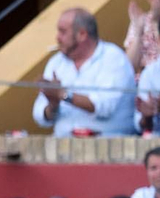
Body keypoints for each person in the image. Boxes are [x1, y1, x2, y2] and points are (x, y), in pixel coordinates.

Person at [34, 8, 137, 137]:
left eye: (63, 32)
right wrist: (53, 105)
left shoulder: (113, 57)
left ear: (82, 34)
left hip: (109, 145)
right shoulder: (56, 62)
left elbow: (104, 107)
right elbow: (40, 116)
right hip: (63, 145)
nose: (57, 38)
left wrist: (63, 94)